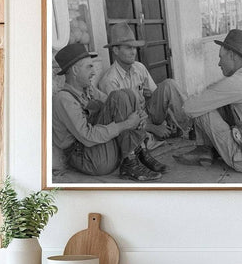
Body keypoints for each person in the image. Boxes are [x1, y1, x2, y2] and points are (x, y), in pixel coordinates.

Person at [53, 43, 169, 182]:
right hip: (87, 157)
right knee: (119, 96)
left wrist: (139, 115)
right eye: (89, 67)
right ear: (75, 70)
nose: (94, 72)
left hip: (98, 149)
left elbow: (117, 104)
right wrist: (126, 124)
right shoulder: (64, 99)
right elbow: (87, 137)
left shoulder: (88, 89)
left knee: (127, 94)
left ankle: (138, 153)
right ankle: (130, 160)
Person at [173, 29, 242, 173]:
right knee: (216, 102)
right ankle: (208, 149)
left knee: (202, 109)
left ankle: (204, 149)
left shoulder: (237, 83)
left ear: (232, 56)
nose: (219, 63)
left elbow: (189, 108)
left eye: (221, 57)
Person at [98, 22, 191, 139]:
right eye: (128, 48)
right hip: (131, 125)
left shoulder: (139, 67)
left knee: (169, 84)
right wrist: (153, 128)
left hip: (147, 113)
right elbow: (121, 120)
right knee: (141, 138)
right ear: (116, 50)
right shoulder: (109, 80)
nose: (133, 52)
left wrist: (168, 115)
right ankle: (153, 135)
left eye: (134, 47)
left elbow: (155, 94)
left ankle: (191, 128)